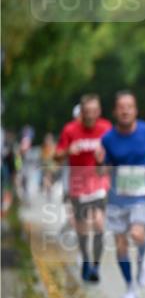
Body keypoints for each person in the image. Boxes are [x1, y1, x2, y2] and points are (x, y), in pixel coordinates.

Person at [96, 91, 145, 298]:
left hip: (142, 194)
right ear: (116, 111)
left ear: (135, 110)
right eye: (121, 107)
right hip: (118, 196)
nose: (125, 110)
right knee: (120, 245)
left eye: (130, 106)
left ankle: (143, 259)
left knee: (137, 234)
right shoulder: (108, 139)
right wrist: (99, 163)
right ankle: (130, 287)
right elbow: (104, 171)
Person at [54, 94, 111, 282]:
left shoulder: (106, 128)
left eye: (95, 111)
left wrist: (106, 160)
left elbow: (114, 155)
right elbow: (56, 156)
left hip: (99, 183)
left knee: (99, 224)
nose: (91, 115)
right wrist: (67, 151)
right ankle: (86, 259)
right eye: (87, 112)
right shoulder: (70, 130)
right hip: (78, 185)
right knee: (83, 228)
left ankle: (95, 266)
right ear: (82, 112)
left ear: (99, 111)